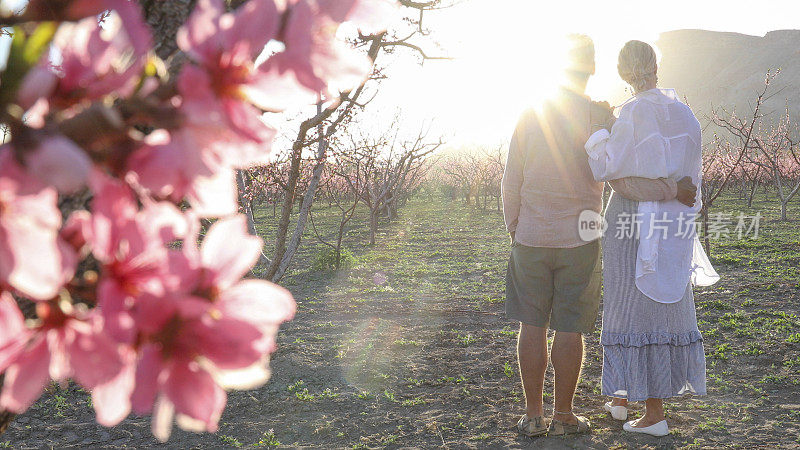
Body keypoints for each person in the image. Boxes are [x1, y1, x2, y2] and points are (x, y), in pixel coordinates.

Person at [502, 34, 698, 437]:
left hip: (532, 236)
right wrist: (672, 190)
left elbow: (511, 179)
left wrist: (516, 228)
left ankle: (533, 415)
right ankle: (564, 416)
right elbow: (627, 169)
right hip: (582, 237)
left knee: (531, 325)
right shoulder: (599, 115)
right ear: (592, 69)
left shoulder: (531, 112)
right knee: (570, 327)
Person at [584, 40, 719, 437]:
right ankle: (623, 399)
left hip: (632, 219)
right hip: (673, 224)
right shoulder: (684, 113)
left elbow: (611, 172)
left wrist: (597, 132)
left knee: (631, 307)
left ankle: (654, 414)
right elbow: (687, 181)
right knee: (659, 305)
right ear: (656, 67)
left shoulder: (633, 112)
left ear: (624, 73)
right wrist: (671, 190)